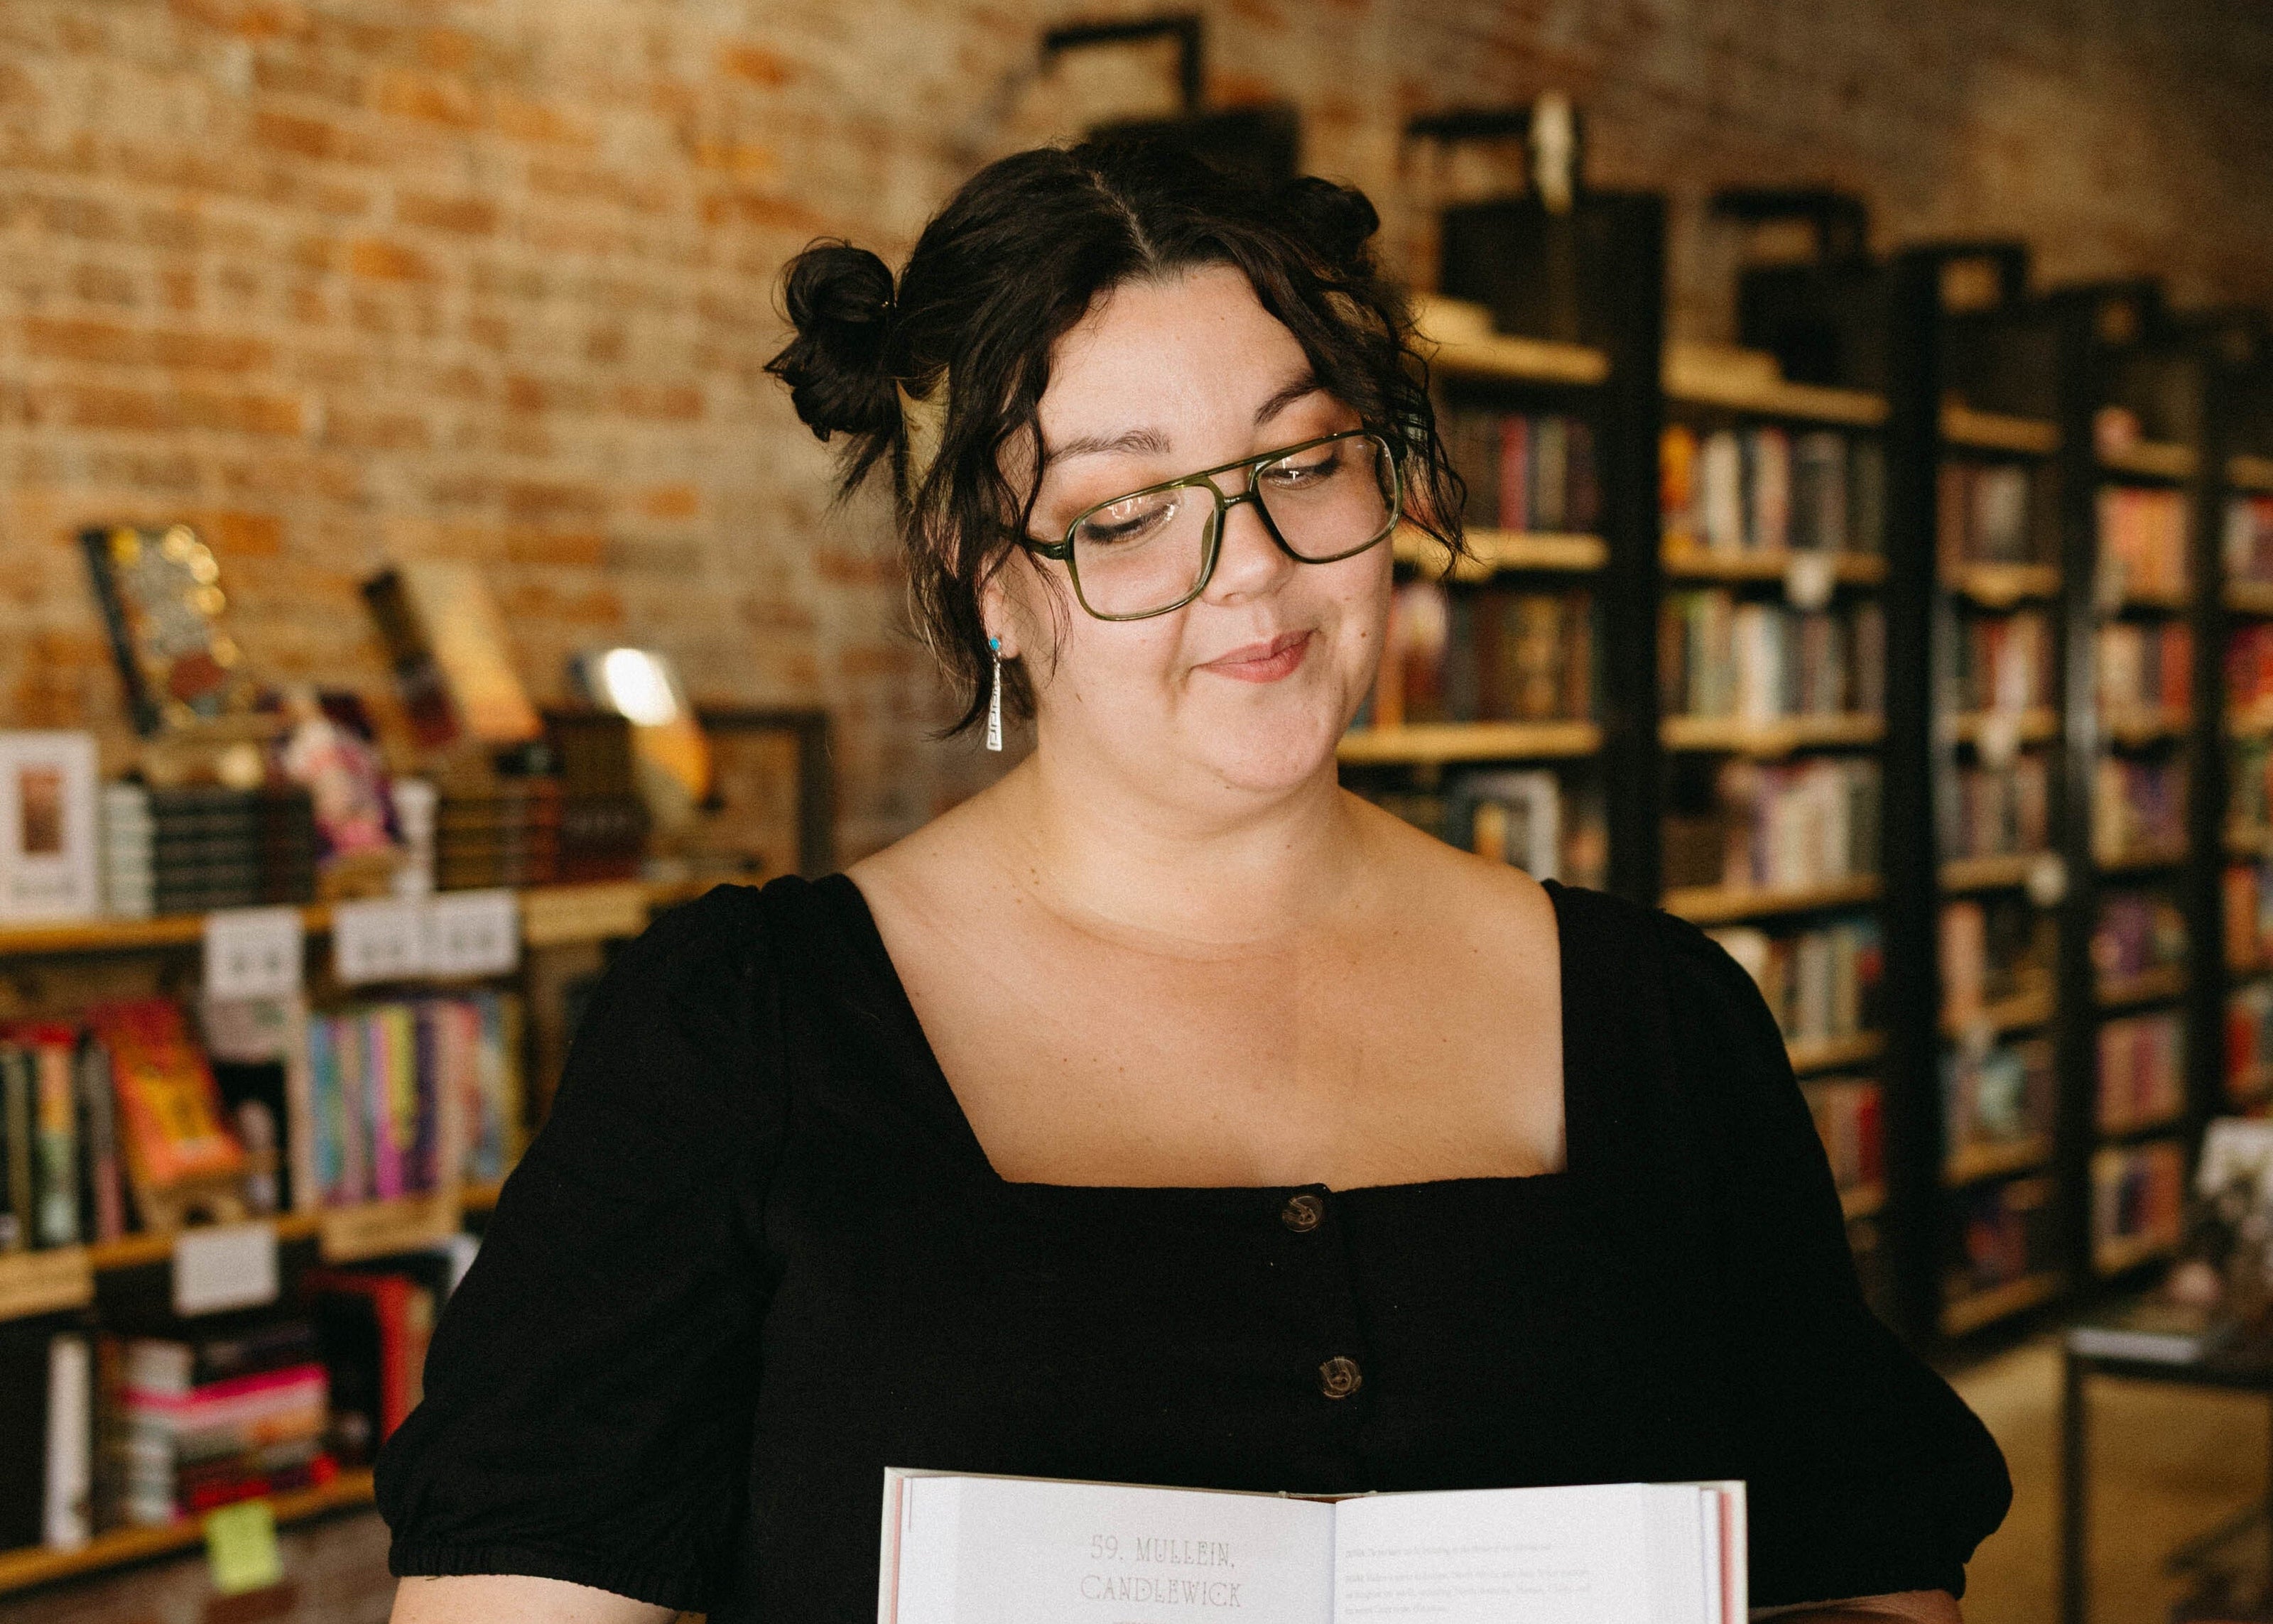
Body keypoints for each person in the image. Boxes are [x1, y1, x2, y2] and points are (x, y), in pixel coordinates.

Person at [380, 139, 2008, 1623]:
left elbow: (1857, 1573)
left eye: (1303, 464)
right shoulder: (740, 1034)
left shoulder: (1666, 1019)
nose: (1253, 574)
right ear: (985, 577)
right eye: (1127, 513)